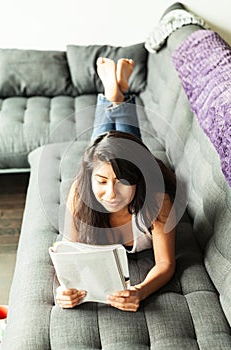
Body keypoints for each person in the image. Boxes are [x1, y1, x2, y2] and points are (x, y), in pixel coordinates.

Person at [56, 57, 176, 312]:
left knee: (128, 143)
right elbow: (68, 253)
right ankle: (116, 92)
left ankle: (113, 93)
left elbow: (165, 264)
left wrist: (139, 291)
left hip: (139, 166)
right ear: (90, 179)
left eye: (122, 183)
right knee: (100, 146)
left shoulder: (157, 200)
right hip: (106, 165)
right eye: (101, 182)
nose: (110, 194)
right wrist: (63, 290)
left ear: (138, 180)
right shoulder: (81, 191)